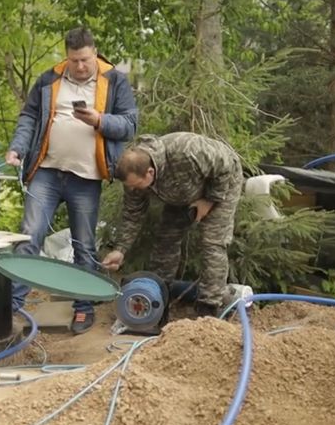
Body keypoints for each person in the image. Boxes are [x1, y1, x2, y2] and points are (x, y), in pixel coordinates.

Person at [5, 27, 138, 334]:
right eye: (74, 60)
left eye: (85, 60)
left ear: (95, 53)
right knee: (28, 237)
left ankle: (83, 308)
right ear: (66, 57)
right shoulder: (49, 78)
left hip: (87, 178)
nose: (80, 66)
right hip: (46, 172)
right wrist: (17, 148)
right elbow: (28, 117)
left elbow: (130, 124)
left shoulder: (115, 81)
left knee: (84, 245)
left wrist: (100, 121)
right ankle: (11, 308)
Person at [101, 133, 244, 317]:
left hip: (221, 185)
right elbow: (133, 215)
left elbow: (225, 166)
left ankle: (209, 307)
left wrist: (209, 200)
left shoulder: (186, 150)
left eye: (138, 186)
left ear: (150, 172)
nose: (135, 190)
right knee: (166, 239)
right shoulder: (134, 179)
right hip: (180, 192)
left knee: (212, 243)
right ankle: (159, 296)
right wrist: (120, 249)